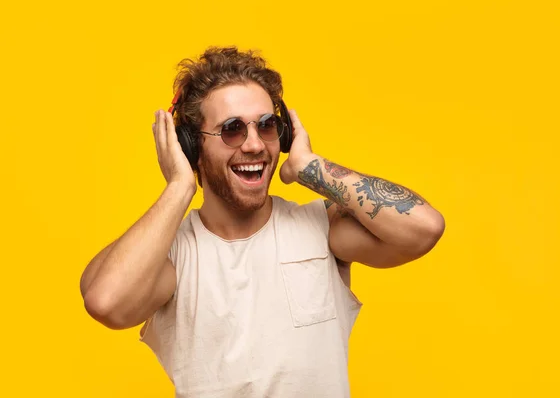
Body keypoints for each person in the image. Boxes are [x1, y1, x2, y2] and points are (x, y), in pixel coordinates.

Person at [79, 46, 445, 398]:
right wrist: (179, 185)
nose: (254, 144)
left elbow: (424, 228)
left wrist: (307, 168)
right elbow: (105, 301)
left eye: (268, 126)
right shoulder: (172, 256)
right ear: (193, 146)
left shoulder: (323, 229)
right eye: (232, 129)